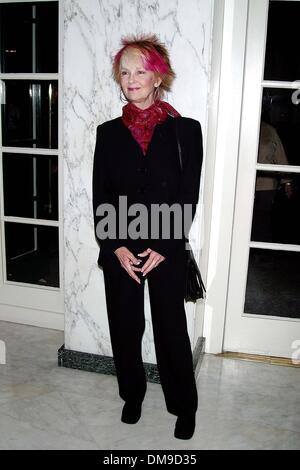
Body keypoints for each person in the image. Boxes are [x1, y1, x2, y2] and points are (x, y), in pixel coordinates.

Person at [92, 34, 203, 440]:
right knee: (124, 324)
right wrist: (115, 246)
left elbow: (188, 194)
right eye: (125, 71)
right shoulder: (107, 133)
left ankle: (183, 406)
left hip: (166, 246)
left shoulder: (186, 131)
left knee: (170, 327)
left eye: (141, 70)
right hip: (121, 244)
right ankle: (132, 395)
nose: (132, 78)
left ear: (158, 77)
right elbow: (101, 195)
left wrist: (166, 246)